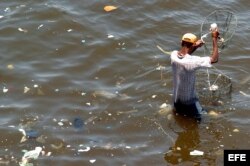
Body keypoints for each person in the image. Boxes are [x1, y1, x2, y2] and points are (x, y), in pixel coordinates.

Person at [170, 29, 219, 120]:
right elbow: (214, 59)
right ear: (193, 44)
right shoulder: (194, 61)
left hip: (176, 100)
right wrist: (214, 39)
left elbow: (185, 55)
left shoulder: (173, 55)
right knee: (206, 118)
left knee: (180, 115)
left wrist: (195, 46)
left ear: (181, 42)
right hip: (189, 103)